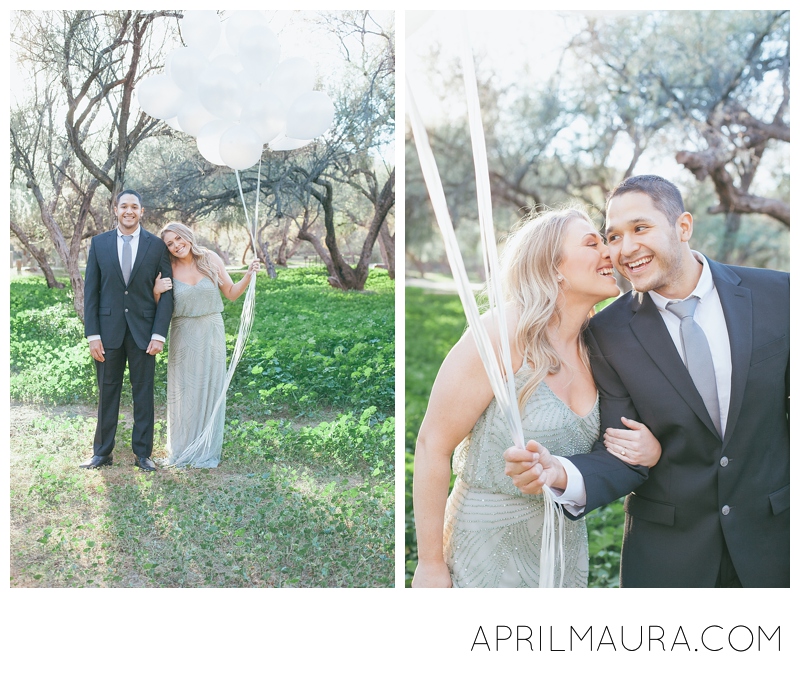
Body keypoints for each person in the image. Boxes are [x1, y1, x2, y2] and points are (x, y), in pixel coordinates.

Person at [504, 175, 790, 588]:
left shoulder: (779, 295)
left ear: (683, 227)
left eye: (640, 228)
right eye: (613, 236)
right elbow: (622, 449)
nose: (625, 249)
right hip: (667, 561)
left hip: (776, 546)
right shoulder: (605, 333)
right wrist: (561, 472)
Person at [412, 207, 662, 588]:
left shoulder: (600, 346)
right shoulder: (500, 333)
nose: (611, 253)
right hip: (485, 549)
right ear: (553, 266)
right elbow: (432, 446)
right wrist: (430, 564)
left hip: (562, 552)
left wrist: (648, 449)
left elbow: (613, 445)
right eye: (592, 243)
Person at [153, 222, 259, 468]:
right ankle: (181, 447)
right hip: (182, 332)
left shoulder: (210, 258)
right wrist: (156, 291)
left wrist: (248, 274)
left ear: (188, 236)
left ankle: (205, 448)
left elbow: (231, 293)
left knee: (209, 388)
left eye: (179, 239)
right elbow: (158, 307)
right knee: (184, 392)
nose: (177, 245)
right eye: (170, 243)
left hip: (211, 330)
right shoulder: (166, 266)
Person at [81, 189, 173, 472]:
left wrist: (159, 334)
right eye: (124, 206)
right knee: (107, 392)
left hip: (144, 333)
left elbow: (167, 292)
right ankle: (102, 452)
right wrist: (92, 334)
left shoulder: (156, 246)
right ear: (116, 210)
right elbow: (91, 292)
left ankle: (143, 454)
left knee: (143, 393)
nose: (129, 211)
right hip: (107, 334)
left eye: (134, 206)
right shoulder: (99, 244)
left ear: (142, 211)